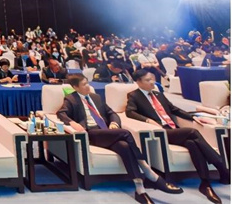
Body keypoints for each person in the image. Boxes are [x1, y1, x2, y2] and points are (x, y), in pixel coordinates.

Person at [58, 74, 181, 203]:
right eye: (84, 84)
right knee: (125, 133)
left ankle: (140, 189)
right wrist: (72, 123)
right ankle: (148, 170)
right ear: (75, 87)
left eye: (87, 83)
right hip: (93, 133)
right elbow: (61, 113)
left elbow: (111, 113)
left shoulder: (95, 97)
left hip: (107, 132)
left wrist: (114, 123)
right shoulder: (71, 99)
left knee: (124, 146)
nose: (88, 86)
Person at [126, 70, 229, 203]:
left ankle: (205, 183)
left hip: (173, 129)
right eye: (148, 80)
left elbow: (174, 109)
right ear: (138, 82)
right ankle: (222, 167)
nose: (152, 82)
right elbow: (130, 112)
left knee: (192, 143)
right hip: (161, 132)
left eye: (153, 79)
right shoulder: (134, 95)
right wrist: (147, 120)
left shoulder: (158, 94)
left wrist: (192, 117)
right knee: (192, 132)